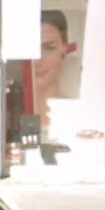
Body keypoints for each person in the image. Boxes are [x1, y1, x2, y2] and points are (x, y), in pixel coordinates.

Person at [33, 10, 71, 143]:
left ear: (64, 50)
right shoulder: (2, 117)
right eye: (30, 51)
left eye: (48, 48)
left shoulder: (79, 115)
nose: (38, 61)